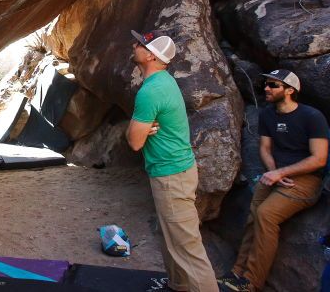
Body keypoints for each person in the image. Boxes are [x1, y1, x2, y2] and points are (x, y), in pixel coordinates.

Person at [218, 70, 328, 292]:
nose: (266, 88)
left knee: (266, 215)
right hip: (276, 175)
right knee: (253, 215)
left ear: (290, 91)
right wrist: (273, 172)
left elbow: (319, 159)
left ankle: (251, 282)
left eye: (273, 85)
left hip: (305, 180)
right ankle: (237, 272)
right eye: (265, 84)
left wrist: (282, 173)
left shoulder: (312, 116)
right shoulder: (268, 114)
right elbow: (265, 148)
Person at [125, 29, 219, 292]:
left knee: (187, 248)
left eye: (142, 44)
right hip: (172, 170)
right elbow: (138, 135)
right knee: (170, 237)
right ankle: (178, 286)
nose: (135, 46)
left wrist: (136, 129)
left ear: (152, 57)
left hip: (172, 175)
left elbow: (134, 141)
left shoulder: (151, 92)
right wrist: (139, 129)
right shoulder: (163, 82)